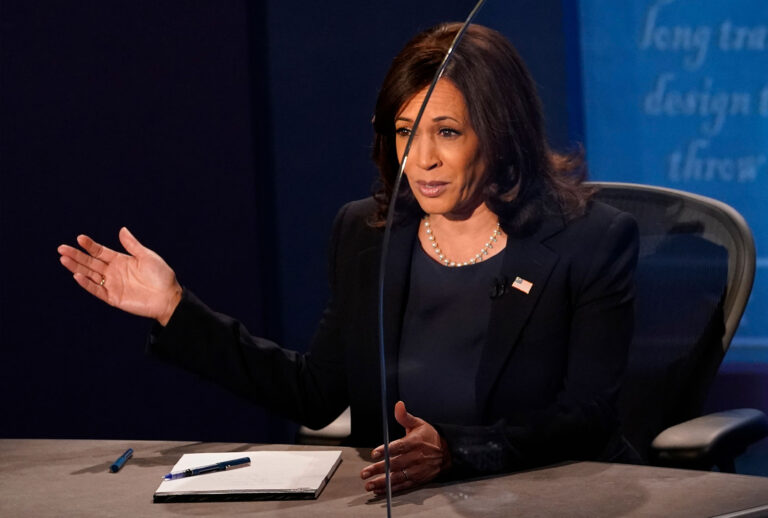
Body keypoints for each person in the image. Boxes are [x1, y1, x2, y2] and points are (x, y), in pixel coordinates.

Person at [57, 22, 639, 496]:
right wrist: (175, 309)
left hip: (547, 499)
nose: (423, 159)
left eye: (448, 132)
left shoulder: (589, 241)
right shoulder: (368, 231)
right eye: (406, 131)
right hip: (407, 506)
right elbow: (315, 393)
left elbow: (585, 419)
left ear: (501, 134)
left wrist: (455, 451)